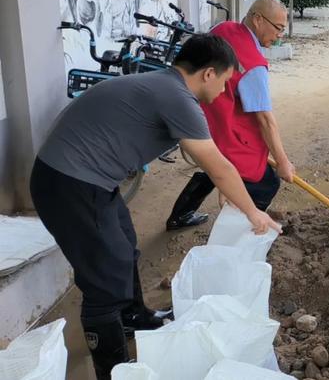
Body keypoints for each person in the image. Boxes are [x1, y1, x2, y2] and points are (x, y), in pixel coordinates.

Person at [30, 35, 281, 379]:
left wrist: (230, 189)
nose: (224, 91)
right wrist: (253, 211)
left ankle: (136, 318)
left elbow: (201, 156)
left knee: (124, 243)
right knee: (105, 277)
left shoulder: (165, 86)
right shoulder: (178, 98)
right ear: (208, 74)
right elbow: (218, 167)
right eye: (225, 82)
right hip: (71, 182)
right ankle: (113, 368)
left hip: (84, 176)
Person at [167, 0, 294, 230]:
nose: (280, 35)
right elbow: (265, 120)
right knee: (265, 182)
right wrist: (283, 161)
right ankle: (245, 230)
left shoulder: (222, 28)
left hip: (202, 119)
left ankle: (180, 215)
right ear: (257, 19)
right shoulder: (254, 66)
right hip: (224, 128)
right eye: (278, 28)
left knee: (211, 165)